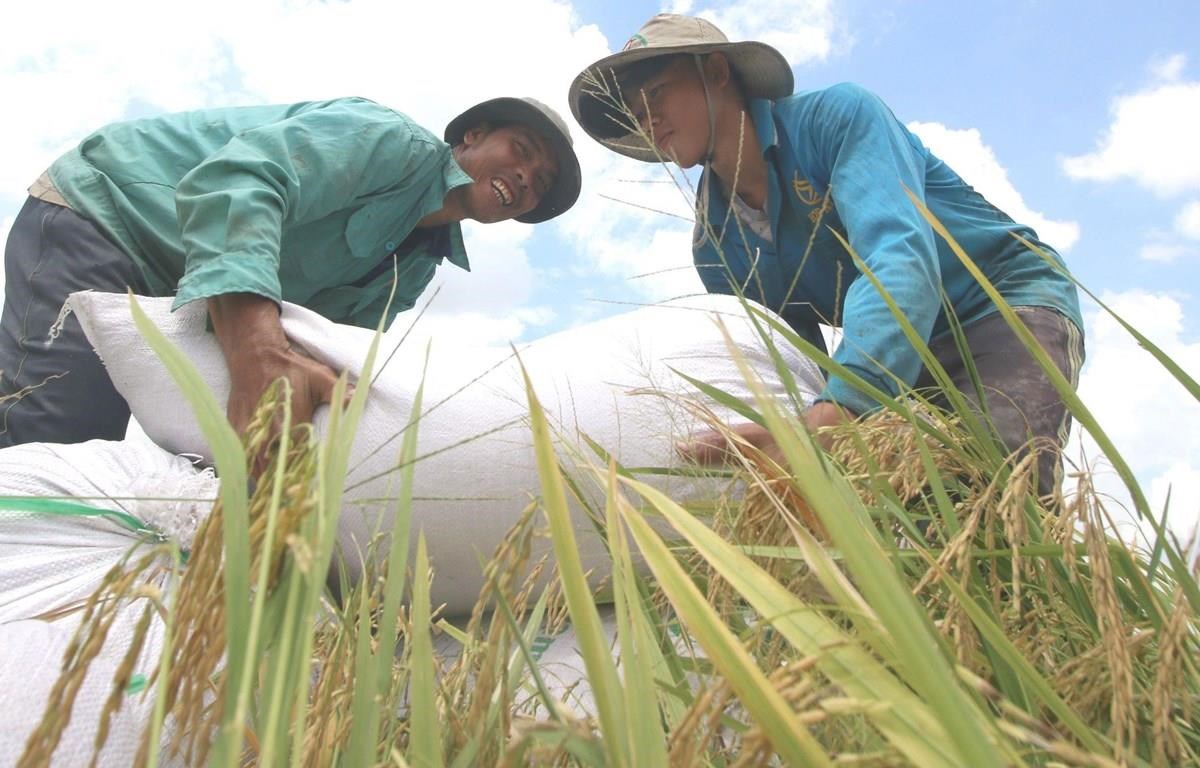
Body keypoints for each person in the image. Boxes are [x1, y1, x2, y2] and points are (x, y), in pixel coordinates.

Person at [569, 14, 1084, 496]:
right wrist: (791, 434)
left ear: (718, 71)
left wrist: (841, 410)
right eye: (636, 113)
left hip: (1001, 303)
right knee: (918, 510)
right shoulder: (715, 246)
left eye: (656, 92)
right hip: (900, 352)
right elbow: (791, 359)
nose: (649, 119)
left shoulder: (836, 118)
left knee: (999, 489)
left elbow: (898, 260)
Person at [0, 95, 581, 447]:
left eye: (543, 182)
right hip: (108, 216)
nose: (529, 176)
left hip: (181, 296)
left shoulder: (418, 265)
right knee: (62, 428)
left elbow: (320, 346)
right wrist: (257, 353)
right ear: (473, 136)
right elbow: (236, 182)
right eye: (522, 150)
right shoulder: (390, 142)